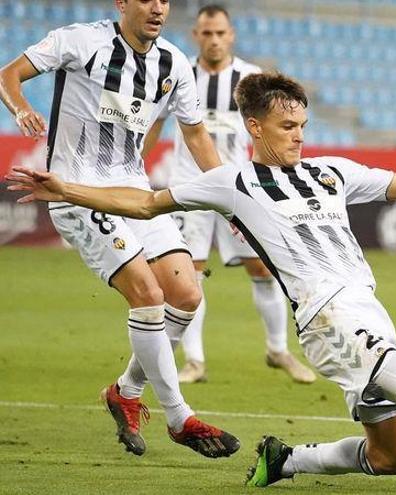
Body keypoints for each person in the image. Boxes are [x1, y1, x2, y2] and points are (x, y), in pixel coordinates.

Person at [7, 72, 396, 491]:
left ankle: (285, 461)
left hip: (368, 310)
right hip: (329, 318)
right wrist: (70, 190)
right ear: (255, 128)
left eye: (303, 126)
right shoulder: (231, 182)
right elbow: (145, 203)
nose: (299, 137)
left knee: (389, 458)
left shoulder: (329, 172)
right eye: (287, 128)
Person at [0, 0, 238, 458]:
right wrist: (21, 109)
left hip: (135, 194)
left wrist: (232, 201)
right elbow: (8, 73)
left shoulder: (172, 63)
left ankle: (125, 392)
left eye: (165, 1)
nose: (157, 8)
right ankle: (178, 417)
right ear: (122, 3)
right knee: (147, 295)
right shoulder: (81, 40)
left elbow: (196, 136)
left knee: (186, 294)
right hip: (73, 191)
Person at [145, 4, 315, 384]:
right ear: (196, 36)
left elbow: (276, 130)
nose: (214, 40)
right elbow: (154, 123)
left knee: (262, 269)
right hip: (191, 189)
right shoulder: (179, 72)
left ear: (232, 35)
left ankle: (277, 350)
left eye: (221, 33)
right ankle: (195, 361)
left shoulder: (251, 79)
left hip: (241, 188)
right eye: (207, 33)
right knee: (190, 275)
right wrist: (134, 166)